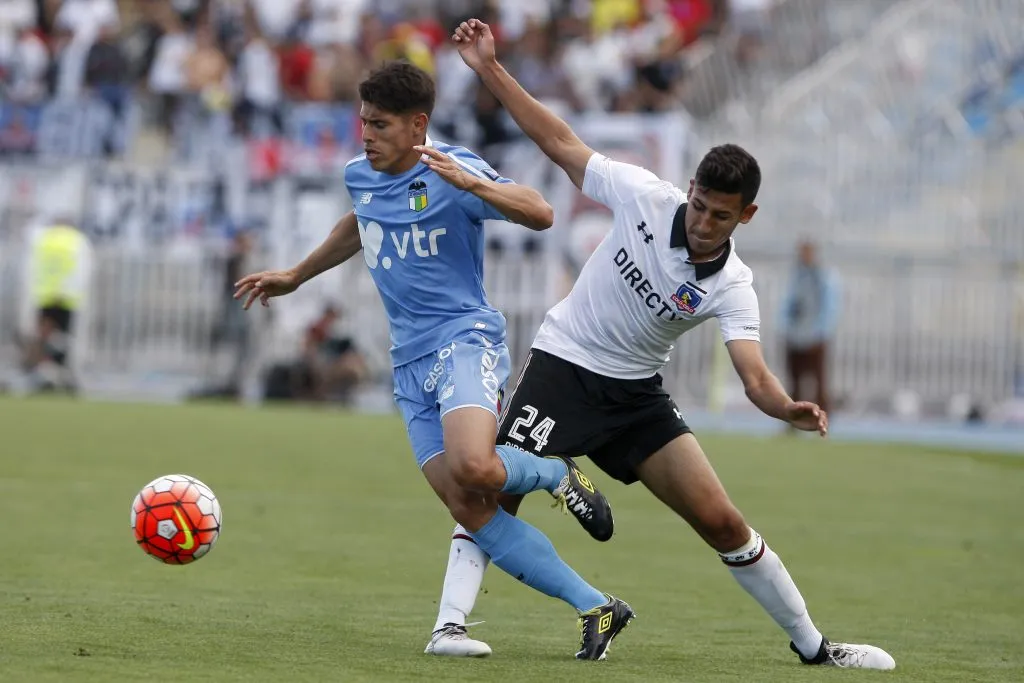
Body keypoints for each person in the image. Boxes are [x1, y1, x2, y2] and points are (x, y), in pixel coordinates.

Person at [424, 19, 896, 671]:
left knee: (722, 521)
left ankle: (816, 647)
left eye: (721, 215)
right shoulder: (645, 195)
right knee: (488, 497)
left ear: (746, 216)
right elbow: (560, 142)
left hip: (635, 397)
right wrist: (489, 69)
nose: (703, 222)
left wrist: (785, 406)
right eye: (699, 205)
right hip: (563, 366)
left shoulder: (733, 284)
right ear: (690, 190)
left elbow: (754, 375)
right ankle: (449, 624)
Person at [233, 60, 634, 661]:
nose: (367, 136)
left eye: (381, 125)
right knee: (469, 505)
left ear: (418, 125)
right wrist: (296, 274)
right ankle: (596, 606)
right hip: (408, 362)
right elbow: (360, 221)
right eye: (364, 122)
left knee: (475, 465)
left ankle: (556, 474)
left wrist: (473, 185)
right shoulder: (361, 175)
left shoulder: (451, 168)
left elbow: (540, 211)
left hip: (464, 340)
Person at [780, 239, 841, 419]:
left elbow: (829, 307)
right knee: (794, 381)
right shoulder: (796, 276)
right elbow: (788, 305)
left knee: (819, 381)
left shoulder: (823, 276)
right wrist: (785, 328)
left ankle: (823, 419)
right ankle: (794, 418)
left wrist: (821, 332)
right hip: (795, 335)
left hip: (816, 337)